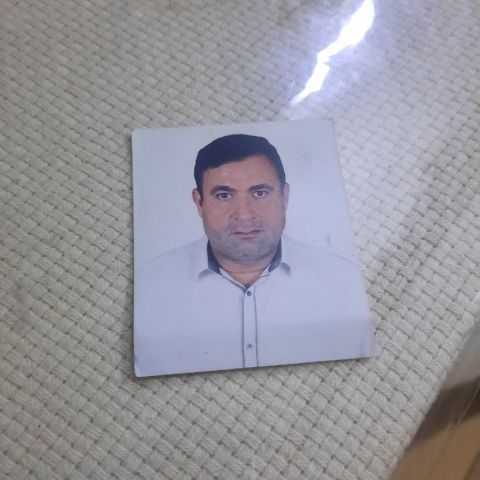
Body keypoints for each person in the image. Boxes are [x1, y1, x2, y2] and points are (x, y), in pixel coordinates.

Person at [134, 134, 373, 377]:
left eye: (259, 193)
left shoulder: (343, 280)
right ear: (199, 203)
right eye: (224, 195)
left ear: (284, 196)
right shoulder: (150, 285)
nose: (244, 214)